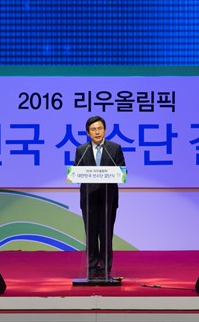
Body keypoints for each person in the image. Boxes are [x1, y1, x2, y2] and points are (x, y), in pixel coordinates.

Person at [74, 115, 125, 279]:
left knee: (106, 234)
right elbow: (76, 173)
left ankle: (105, 268)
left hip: (108, 199)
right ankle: (91, 267)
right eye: (93, 129)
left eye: (100, 128)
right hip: (89, 199)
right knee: (91, 234)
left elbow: (122, 172)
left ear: (105, 130)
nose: (97, 132)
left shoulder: (114, 149)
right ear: (88, 132)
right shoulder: (81, 150)